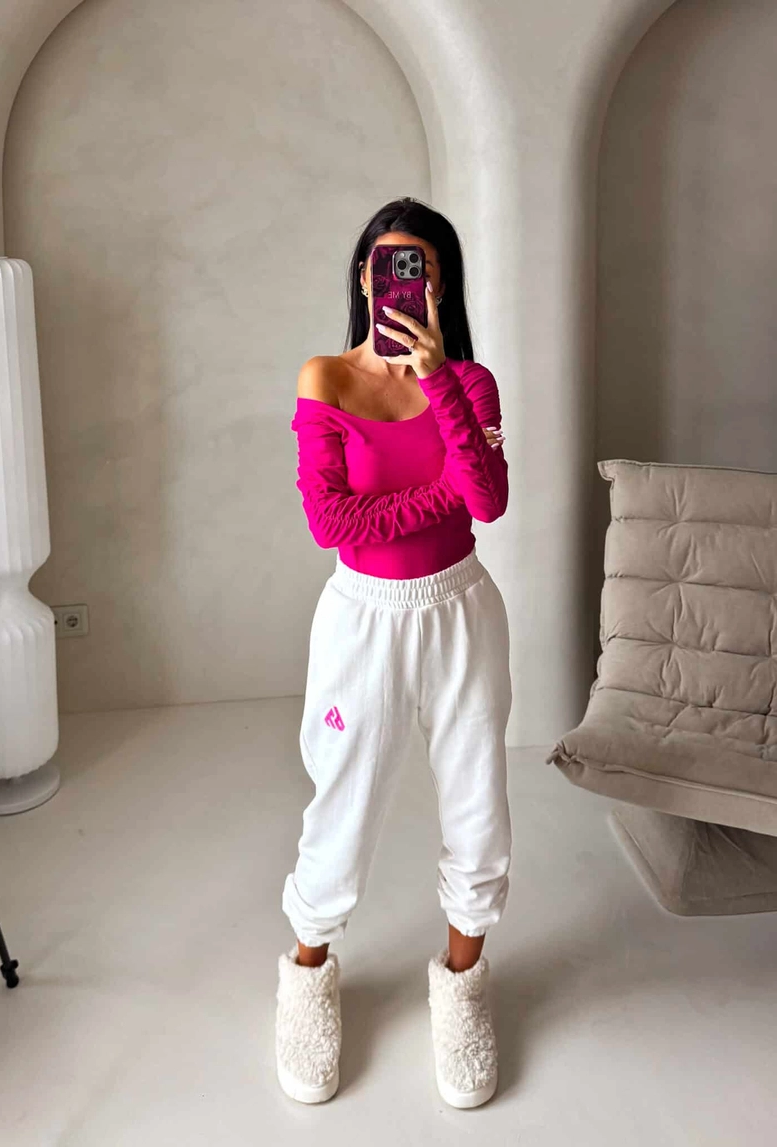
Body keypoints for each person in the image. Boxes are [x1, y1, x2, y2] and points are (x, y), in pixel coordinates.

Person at [275, 197, 512, 1109]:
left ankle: (462, 987)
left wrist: (438, 381)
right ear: (364, 276)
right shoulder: (325, 378)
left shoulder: (471, 383)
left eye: (418, 266)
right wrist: (440, 490)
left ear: (439, 285)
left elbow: (486, 502)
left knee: (478, 810)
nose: (398, 280)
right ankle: (307, 976)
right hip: (362, 620)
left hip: (460, 612)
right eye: (384, 264)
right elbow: (329, 523)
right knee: (341, 805)